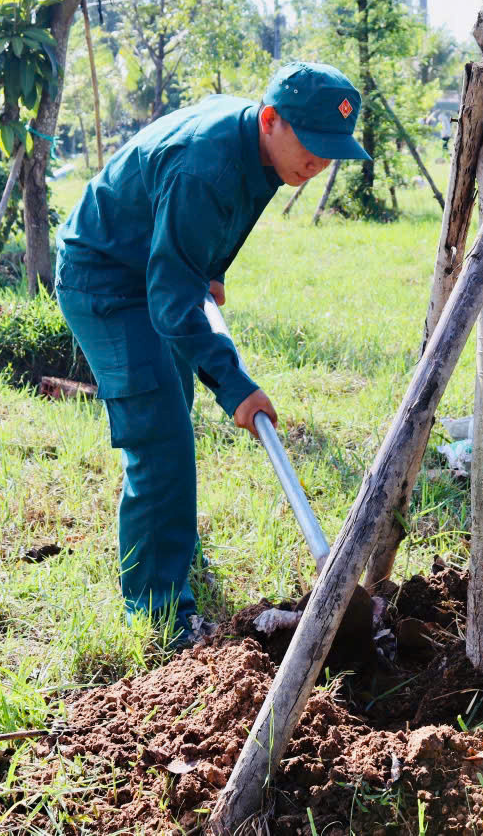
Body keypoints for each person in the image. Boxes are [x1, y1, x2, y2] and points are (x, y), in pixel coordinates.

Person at [55, 62, 371, 647]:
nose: (320, 163)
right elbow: (172, 302)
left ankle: (172, 545)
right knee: (160, 436)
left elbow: (211, 228)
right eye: (313, 146)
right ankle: (157, 614)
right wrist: (235, 385)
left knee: (172, 419)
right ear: (272, 119)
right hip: (107, 282)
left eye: (333, 151)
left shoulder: (263, 147)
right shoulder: (209, 162)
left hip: (157, 270)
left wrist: (210, 268)